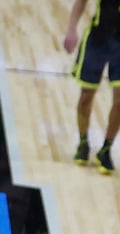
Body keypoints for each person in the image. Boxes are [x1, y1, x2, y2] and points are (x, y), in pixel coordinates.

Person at [66, 0, 120, 172]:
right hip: (98, 38)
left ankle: (106, 150)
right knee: (86, 96)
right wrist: (71, 29)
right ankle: (83, 143)